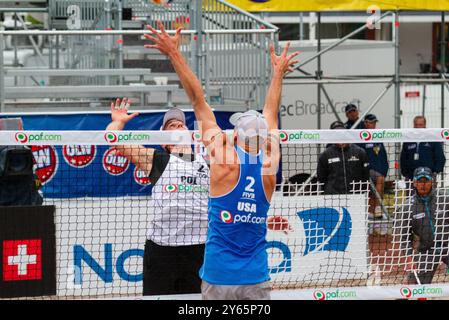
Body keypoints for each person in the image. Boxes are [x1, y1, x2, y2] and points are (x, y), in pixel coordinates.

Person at [144, 21, 299, 299]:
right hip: (256, 276)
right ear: (264, 139)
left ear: (236, 136)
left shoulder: (223, 160)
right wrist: (278, 74)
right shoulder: (269, 166)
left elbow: (198, 101)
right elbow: (272, 117)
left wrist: (174, 54)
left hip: (218, 276)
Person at [106, 98, 209, 295]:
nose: (178, 126)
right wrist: (118, 122)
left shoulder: (208, 165)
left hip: (199, 249)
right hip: (163, 251)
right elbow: (113, 138)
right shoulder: (158, 159)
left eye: (181, 124)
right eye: (171, 125)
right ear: (164, 141)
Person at [392, 166, 449, 284]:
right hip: (426, 249)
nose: (423, 184)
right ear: (414, 183)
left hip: (448, 245)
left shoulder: (445, 198)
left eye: (426, 181)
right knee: (412, 284)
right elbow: (404, 237)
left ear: (432, 182)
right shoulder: (407, 207)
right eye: (420, 181)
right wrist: (409, 258)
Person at [317, 121, 370, 195]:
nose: (339, 135)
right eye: (336, 133)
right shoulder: (325, 154)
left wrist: (360, 190)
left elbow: (366, 175)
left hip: (355, 195)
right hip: (333, 196)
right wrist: (329, 190)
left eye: (341, 132)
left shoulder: (359, 152)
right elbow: (321, 178)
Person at [400, 116, 446, 181]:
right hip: (411, 176)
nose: (418, 127)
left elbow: (440, 157)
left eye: (420, 125)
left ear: (425, 125)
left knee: (429, 191)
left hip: (429, 176)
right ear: (413, 125)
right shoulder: (408, 140)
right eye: (416, 125)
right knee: (411, 191)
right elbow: (403, 158)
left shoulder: (433, 139)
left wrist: (435, 172)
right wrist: (405, 173)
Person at [361, 114, 388, 217]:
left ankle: (377, 208)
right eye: (371, 122)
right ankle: (371, 211)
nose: (373, 125)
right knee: (369, 191)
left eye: (374, 122)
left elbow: (383, 155)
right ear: (366, 123)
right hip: (366, 170)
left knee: (380, 180)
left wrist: (385, 170)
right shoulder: (361, 135)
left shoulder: (378, 136)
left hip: (378, 170)